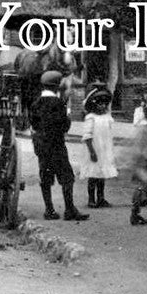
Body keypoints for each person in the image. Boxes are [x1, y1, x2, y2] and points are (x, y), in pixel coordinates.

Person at [28, 70, 89, 221]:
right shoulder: (59, 104)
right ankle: (69, 209)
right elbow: (65, 126)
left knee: (45, 178)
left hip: (42, 147)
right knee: (67, 178)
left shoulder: (35, 104)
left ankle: (49, 210)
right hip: (57, 146)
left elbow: (33, 123)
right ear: (57, 87)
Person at [80, 86, 116, 208]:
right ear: (94, 106)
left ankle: (101, 198)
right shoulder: (91, 118)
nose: (102, 106)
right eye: (99, 104)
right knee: (93, 174)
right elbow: (87, 136)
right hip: (94, 149)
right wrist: (92, 151)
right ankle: (91, 199)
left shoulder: (107, 117)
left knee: (102, 175)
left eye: (104, 104)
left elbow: (109, 134)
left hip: (104, 150)